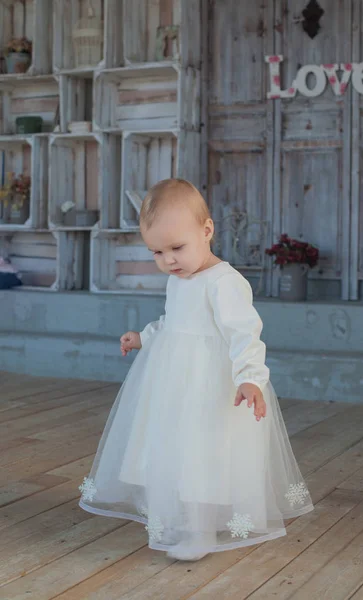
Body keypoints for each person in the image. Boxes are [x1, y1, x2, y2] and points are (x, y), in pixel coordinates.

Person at [78, 178, 314, 561]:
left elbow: (244, 334)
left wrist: (250, 378)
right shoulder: (179, 279)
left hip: (209, 385)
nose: (168, 260)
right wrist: (144, 336)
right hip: (173, 383)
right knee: (173, 450)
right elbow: (174, 324)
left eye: (177, 248)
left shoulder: (224, 282)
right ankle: (177, 519)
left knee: (202, 453)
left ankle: (201, 531)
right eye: (157, 252)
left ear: (207, 231)